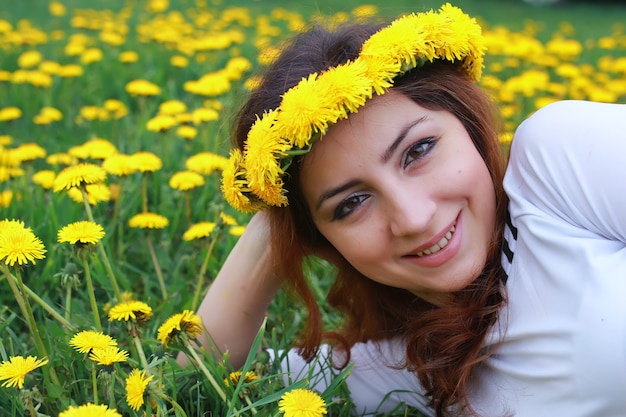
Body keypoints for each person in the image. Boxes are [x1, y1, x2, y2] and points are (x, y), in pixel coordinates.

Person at [193, 3, 626, 416]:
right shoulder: (418, 366)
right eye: (351, 203)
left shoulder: (557, 168)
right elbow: (204, 378)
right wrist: (277, 218)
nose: (414, 219)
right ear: (326, 242)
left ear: (469, 125)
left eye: (418, 151)